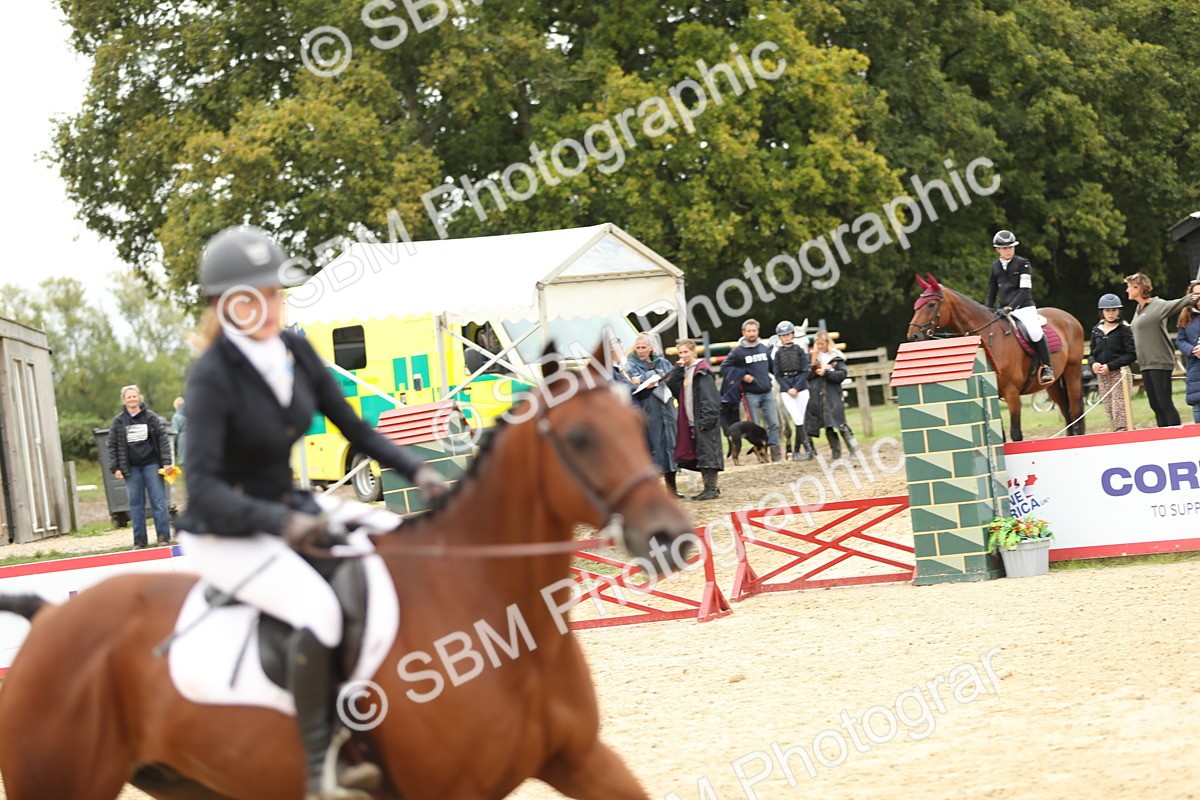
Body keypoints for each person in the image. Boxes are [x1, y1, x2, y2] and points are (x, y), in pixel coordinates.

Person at [177, 225, 447, 800]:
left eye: (275, 293)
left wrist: (418, 467)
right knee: (319, 609)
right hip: (224, 527)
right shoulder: (212, 377)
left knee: (394, 537)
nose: (270, 306)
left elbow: (352, 426)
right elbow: (200, 488)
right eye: (254, 296)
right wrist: (282, 523)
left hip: (287, 505)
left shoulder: (294, 350)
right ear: (224, 307)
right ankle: (320, 771)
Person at [1125, 271, 1198, 428]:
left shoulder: (1157, 305)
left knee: (1164, 403)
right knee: (1155, 405)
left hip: (1160, 362)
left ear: (1138, 288)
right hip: (1145, 364)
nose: (1127, 290)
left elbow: (1178, 303)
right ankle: (1163, 437)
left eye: (1129, 287)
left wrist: (1194, 295)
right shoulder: (1138, 309)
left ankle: (1176, 438)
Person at [107, 385, 173, 549]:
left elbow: (163, 440)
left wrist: (166, 462)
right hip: (131, 468)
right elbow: (112, 446)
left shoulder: (151, 418)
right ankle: (139, 541)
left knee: (158, 501)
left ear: (139, 398)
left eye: (134, 396)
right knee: (136, 504)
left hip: (151, 465)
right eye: (129, 397)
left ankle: (163, 537)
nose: (132, 399)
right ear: (124, 400)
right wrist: (116, 468)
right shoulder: (118, 422)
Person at [985, 230, 1054, 385]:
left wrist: (1010, 307)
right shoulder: (994, 267)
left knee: (1035, 332)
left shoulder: (1023, 263)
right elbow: (992, 291)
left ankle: (1047, 366)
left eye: (1011, 247)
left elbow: (1024, 291)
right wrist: (987, 310)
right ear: (998, 250)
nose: (1008, 250)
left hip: (1024, 307)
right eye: (1005, 248)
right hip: (1002, 309)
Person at [665, 338, 723, 500]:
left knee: (708, 452)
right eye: (680, 352)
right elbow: (672, 387)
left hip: (703, 419)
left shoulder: (701, 371)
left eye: (686, 352)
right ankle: (708, 488)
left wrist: (707, 420)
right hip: (690, 419)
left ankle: (711, 488)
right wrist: (677, 369)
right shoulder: (684, 370)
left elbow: (710, 398)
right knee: (701, 452)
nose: (683, 355)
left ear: (693, 351)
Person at [624, 333, 680, 496]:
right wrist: (645, 379)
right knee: (653, 448)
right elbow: (630, 385)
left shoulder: (662, 362)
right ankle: (653, 491)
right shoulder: (629, 365)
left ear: (651, 348)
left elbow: (672, 380)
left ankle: (672, 489)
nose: (641, 351)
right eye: (638, 347)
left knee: (670, 446)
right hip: (648, 410)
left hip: (667, 410)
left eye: (644, 347)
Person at [724, 318, 781, 461]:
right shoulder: (738, 352)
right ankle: (760, 455)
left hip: (767, 392)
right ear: (743, 332)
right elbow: (725, 367)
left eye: (754, 330)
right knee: (754, 428)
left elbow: (772, 368)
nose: (751, 333)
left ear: (758, 331)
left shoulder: (763, 348)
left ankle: (776, 453)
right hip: (751, 395)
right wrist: (742, 375)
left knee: (774, 423)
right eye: (749, 331)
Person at [804, 331, 858, 460]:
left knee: (841, 423)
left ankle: (853, 450)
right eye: (818, 344)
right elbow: (806, 376)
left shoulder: (836, 357)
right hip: (817, 396)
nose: (820, 346)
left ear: (827, 343)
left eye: (822, 343)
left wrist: (826, 373)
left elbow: (841, 375)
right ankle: (836, 453)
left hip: (833, 395)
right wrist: (815, 370)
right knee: (827, 425)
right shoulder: (811, 357)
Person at [1089, 294, 1136, 432]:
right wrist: (1093, 364)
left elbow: (1131, 354)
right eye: (1107, 310)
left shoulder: (1124, 329)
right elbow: (1092, 353)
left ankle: (1123, 433)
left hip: (1119, 373)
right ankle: (1119, 433)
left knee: (1119, 407)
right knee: (1109, 407)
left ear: (1119, 311)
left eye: (1114, 310)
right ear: (1102, 312)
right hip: (1102, 375)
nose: (1111, 313)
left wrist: (1111, 366)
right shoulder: (1096, 330)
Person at [772, 320, 814, 461]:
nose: (786, 337)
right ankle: (806, 449)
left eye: (788, 334)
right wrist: (788, 388)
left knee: (800, 419)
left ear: (793, 335)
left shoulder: (800, 350)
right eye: (783, 335)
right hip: (786, 389)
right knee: (797, 418)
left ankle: (797, 451)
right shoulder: (777, 354)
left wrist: (796, 387)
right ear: (780, 337)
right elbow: (777, 374)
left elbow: (804, 370)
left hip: (801, 387)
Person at [1176, 280, 1200, 423]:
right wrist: (1191, 350)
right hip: (1195, 370)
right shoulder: (1186, 316)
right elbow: (1180, 341)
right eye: (1196, 294)